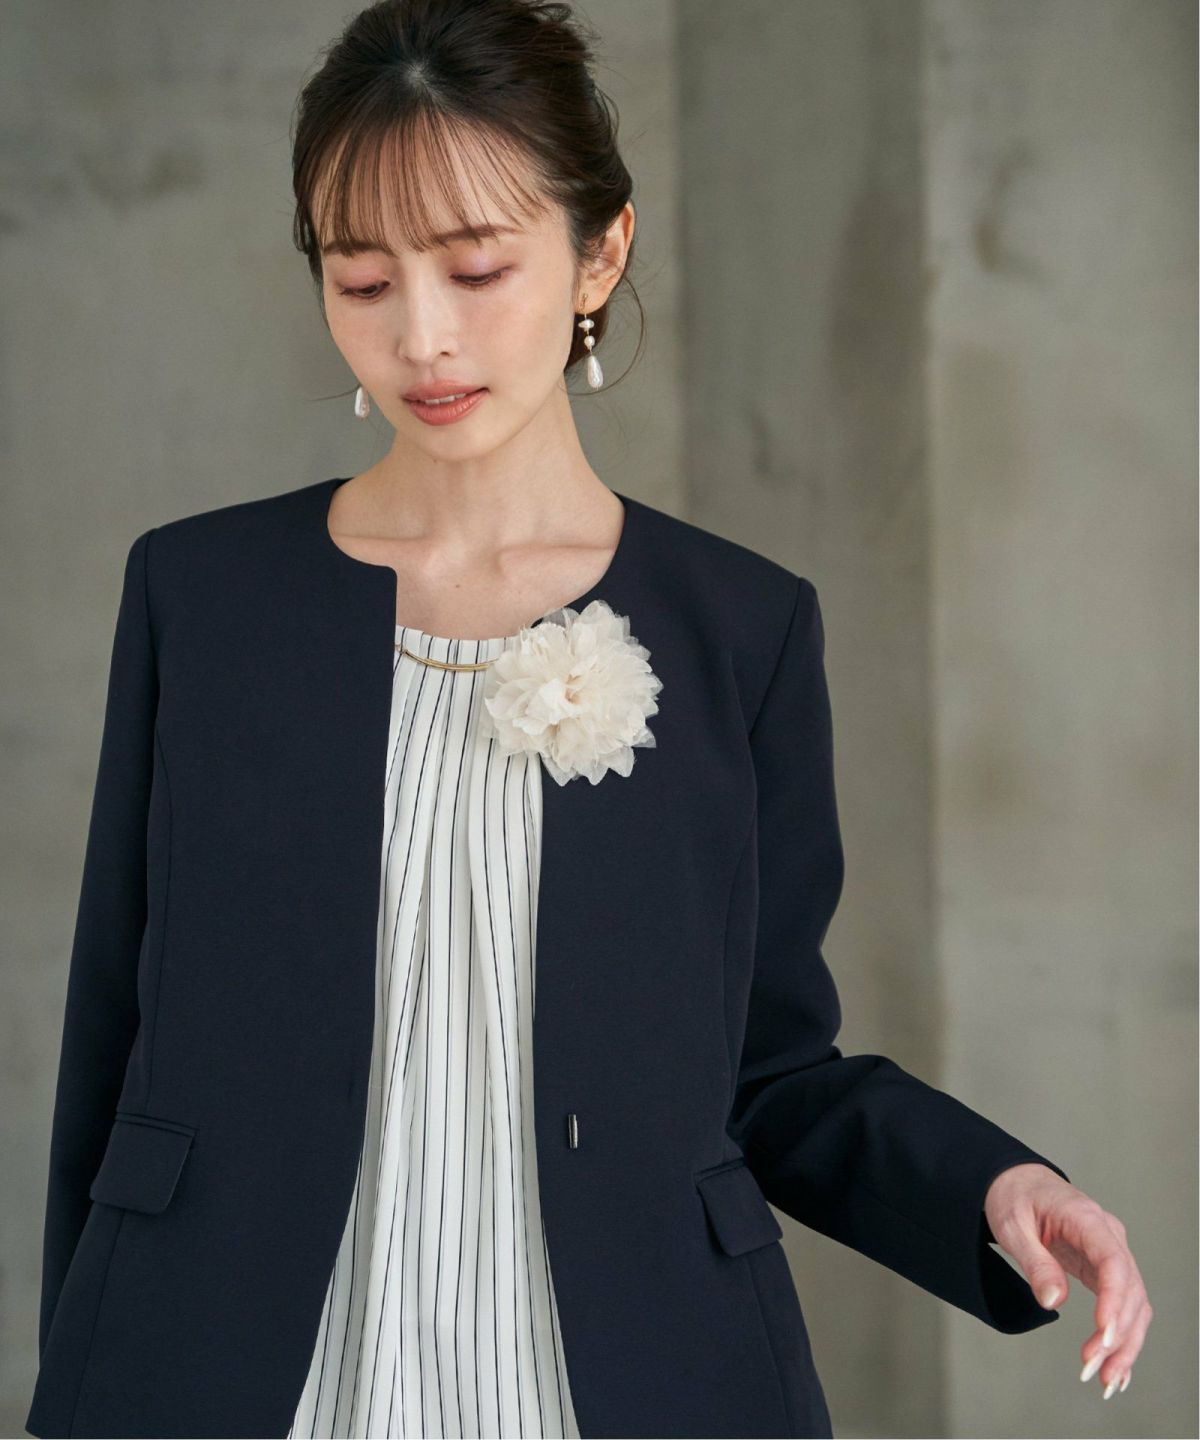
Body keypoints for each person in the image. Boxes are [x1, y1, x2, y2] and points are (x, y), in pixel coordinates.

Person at [26, 2, 1151, 1437]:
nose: (419, 337)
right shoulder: (202, 599)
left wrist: (997, 1186)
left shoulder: (738, 628)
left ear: (599, 252)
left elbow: (770, 1073)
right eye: (361, 279)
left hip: (617, 1375)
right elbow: (114, 1049)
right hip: (241, 1371)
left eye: (476, 268)